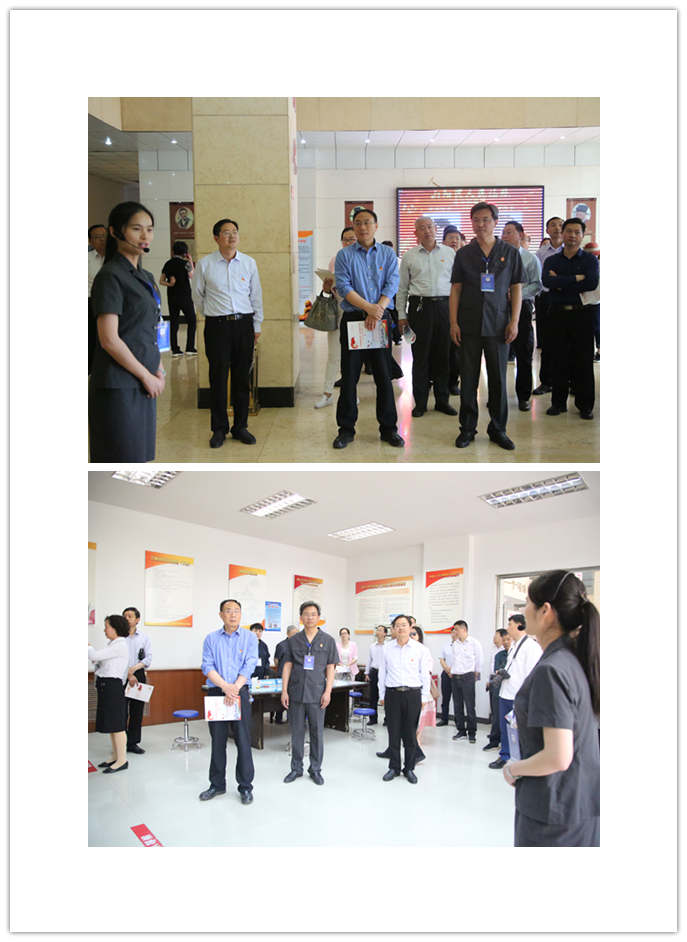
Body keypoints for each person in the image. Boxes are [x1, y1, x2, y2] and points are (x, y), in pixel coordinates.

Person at [503, 571, 600, 847]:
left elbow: (558, 757)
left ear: (545, 611)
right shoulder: (575, 659)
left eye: (527, 603)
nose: (524, 611)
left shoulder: (552, 670)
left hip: (554, 810)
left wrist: (513, 769)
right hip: (577, 801)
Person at [89, 201, 165, 462]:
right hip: (119, 385)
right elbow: (109, 339)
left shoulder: (147, 277)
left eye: (149, 229)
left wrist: (159, 370)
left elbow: (153, 327)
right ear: (115, 232)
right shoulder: (110, 276)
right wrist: (146, 376)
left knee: (140, 457)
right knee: (121, 458)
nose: (145, 236)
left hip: (145, 381)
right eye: (136, 228)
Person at [449, 202, 524, 451]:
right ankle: (467, 429)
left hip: (499, 325)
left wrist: (514, 321)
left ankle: (498, 429)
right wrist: (453, 322)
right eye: (476, 220)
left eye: (486, 220)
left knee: (498, 380)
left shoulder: (510, 252)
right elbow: (456, 289)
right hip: (468, 324)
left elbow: (516, 288)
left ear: (495, 222)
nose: (480, 224)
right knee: (469, 379)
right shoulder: (464, 254)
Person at [333, 208, 403, 449]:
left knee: (383, 376)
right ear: (353, 226)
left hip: (380, 320)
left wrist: (377, 310)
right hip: (354, 320)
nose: (362, 227)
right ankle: (345, 430)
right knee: (350, 377)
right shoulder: (344, 255)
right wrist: (368, 308)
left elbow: (392, 283)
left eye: (367, 222)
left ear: (376, 226)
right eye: (358, 223)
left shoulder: (387, 253)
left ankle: (389, 429)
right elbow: (343, 286)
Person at [192, 218, 263, 449]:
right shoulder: (205, 264)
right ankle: (219, 429)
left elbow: (255, 296)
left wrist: (256, 325)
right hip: (218, 327)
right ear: (216, 238)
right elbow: (198, 296)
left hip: (244, 325)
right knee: (218, 378)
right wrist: (213, 315)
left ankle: (240, 427)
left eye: (235, 232)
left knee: (242, 378)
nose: (232, 236)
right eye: (226, 233)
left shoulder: (249, 263)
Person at [397, 216, 457, 418]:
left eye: (430, 227)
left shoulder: (449, 253)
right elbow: (402, 289)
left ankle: (442, 401)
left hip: (445, 307)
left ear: (436, 229)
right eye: (422, 228)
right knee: (420, 357)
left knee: (443, 356)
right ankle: (420, 403)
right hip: (419, 309)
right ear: (416, 233)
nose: (427, 231)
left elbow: (457, 286)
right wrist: (402, 315)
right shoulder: (409, 256)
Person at [200, 599, 258, 805]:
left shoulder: (250, 638)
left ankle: (245, 787)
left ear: (240, 614)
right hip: (217, 693)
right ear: (221, 614)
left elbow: (250, 664)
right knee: (218, 741)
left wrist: (234, 689)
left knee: (243, 741)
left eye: (236, 611)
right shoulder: (211, 638)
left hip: (240, 693)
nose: (233, 614)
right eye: (228, 611)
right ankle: (217, 785)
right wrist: (226, 687)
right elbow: (207, 666)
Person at [542, 218, 599, 421]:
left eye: (577, 232)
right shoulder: (552, 260)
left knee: (583, 360)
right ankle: (558, 403)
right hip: (557, 314)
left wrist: (560, 283)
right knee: (558, 359)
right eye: (568, 231)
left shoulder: (589, 260)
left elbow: (591, 283)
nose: (572, 235)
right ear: (562, 233)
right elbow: (547, 281)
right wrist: (576, 279)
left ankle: (585, 405)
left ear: (582, 236)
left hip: (582, 314)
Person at [281, 601, 338, 785]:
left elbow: (330, 668)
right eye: (306, 614)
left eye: (313, 614)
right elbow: (287, 666)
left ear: (319, 617)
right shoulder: (294, 640)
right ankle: (296, 768)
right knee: (296, 732)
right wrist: (284, 691)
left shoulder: (328, 640)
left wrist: (328, 691)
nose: (310, 617)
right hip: (296, 692)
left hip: (317, 692)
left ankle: (315, 769)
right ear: (301, 617)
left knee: (316, 732)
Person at [378, 615, 430, 783]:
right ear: (393, 629)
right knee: (393, 732)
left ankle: (409, 768)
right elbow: (382, 673)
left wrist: (424, 696)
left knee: (410, 733)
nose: (401, 628)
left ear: (410, 628)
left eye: (404, 625)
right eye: (397, 625)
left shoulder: (419, 649)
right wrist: (382, 695)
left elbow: (424, 674)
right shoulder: (386, 648)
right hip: (392, 694)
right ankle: (394, 767)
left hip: (412, 695)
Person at [489, 614, 542, 770]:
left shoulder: (531, 647)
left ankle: (520, 759)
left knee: (519, 730)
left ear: (520, 625)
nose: (507, 628)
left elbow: (531, 675)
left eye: (510, 624)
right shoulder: (513, 646)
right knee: (505, 728)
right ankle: (505, 756)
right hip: (505, 693)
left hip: (518, 696)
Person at [501, 221, 542, 411]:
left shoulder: (530, 258)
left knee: (524, 354)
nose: (505, 236)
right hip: (499, 309)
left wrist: (517, 295)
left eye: (509, 232)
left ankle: (523, 396)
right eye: (503, 232)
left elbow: (536, 284)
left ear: (521, 235)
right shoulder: (497, 257)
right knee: (497, 355)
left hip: (522, 309)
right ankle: (497, 396)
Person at [315, 227, 357, 409]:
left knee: (353, 357)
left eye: (352, 239)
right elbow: (332, 288)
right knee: (333, 354)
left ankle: (352, 393)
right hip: (337, 309)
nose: (348, 243)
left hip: (357, 310)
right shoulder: (335, 259)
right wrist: (326, 288)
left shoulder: (364, 260)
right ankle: (327, 393)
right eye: (345, 239)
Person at [88, 615, 130, 773]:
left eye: (107, 627)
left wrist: (88, 647)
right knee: (112, 725)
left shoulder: (119, 645)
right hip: (107, 687)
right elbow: (98, 660)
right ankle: (115, 756)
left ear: (115, 628)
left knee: (117, 725)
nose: (104, 630)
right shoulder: (113, 646)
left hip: (112, 687)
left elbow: (94, 656)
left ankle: (122, 760)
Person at [533, 217, 564, 396]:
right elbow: (540, 278)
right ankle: (546, 381)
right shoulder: (541, 253)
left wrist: (558, 280)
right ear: (547, 230)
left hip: (567, 297)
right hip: (546, 298)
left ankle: (568, 381)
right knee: (546, 341)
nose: (557, 228)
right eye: (553, 225)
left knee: (567, 342)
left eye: (561, 225)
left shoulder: (572, 250)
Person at [122, 606, 152, 755]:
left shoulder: (144, 637)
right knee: (121, 712)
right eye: (124, 616)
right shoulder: (119, 637)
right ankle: (121, 743)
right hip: (121, 674)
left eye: (130, 616)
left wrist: (133, 670)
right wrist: (128, 673)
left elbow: (148, 658)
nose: (127, 619)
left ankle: (133, 743)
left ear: (137, 619)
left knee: (137, 711)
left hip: (138, 674)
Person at [159, 240, 197, 357]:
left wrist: (170, 284)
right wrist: (190, 261)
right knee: (192, 320)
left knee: (174, 321)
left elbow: (161, 281)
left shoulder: (168, 264)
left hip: (172, 296)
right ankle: (190, 347)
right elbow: (193, 276)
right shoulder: (185, 264)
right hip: (185, 296)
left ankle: (175, 349)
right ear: (184, 253)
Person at [449, 619, 483, 743]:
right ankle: (461, 731)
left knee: (470, 706)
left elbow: (479, 660)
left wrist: (476, 672)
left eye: (456, 629)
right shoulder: (455, 644)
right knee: (457, 706)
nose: (455, 632)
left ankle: (472, 732)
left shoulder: (474, 643)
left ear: (464, 629)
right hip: (456, 677)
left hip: (468, 677)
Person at [442, 227, 466, 395]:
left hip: (463, 308)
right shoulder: (440, 257)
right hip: (443, 305)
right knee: (441, 346)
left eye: (457, 238)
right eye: (450, 237)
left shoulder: (466, 258)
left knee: (456, 347)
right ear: (443, 241)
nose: (454, 241)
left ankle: (453, 381)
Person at [409, 625, 435, 762]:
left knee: (419, 716)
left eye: (414, 633)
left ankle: (417, 740)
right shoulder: (405, 649)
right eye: (410, 633)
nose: (411, 636)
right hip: (407, 689)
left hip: (419, 688)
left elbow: (427, 671)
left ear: (419, 636)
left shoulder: (424, 650)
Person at [483, 628, 511, 752]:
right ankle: (494, 741)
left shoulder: (515, 654)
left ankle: (510, 745)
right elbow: (497, 670)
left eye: (508, 640)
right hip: (497, 687)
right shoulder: (499, 654)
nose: (506, 642)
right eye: (504, 640)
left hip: (512, 690)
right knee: (497, 715)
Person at [88, 224, 107, 373]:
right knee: (91, 337)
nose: (101, 239)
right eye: (97, 237)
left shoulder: (116, 258)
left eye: (104, 235)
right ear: (90, 241)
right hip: (89, 303)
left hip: (110, 302)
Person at [273, 625, 299, 724]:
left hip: (295, 675)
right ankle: (278, 717)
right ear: (287, 633)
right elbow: (276, 659)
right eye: (293, 633)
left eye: (296, 633)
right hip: (282, 674)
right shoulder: (281, 645)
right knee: (282, 696)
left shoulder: (299, 644)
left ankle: (290, 717)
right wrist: (281, 669)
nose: (295, 635)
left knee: (293, 697)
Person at [437, 623, 460, 725]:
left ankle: (458, 720)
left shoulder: (461, 646)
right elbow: (441, 659)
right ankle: (444, 719)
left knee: (457, 699)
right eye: (452, 632)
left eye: (456, 632)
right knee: (445, 698)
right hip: (446, 674)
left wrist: (453, 670)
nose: (454, 634)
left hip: (457, 674)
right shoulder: (446, 645)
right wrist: (447, 669)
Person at [365, 625, 387, 724]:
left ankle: (387, 719)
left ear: (385, 633)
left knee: (386, 696)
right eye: (377, 630)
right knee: (373, 696)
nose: (377, 632)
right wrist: (367, 673)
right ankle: (373, 718)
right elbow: (369, 660)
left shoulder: (388, 646)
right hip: (374, 672)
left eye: (380, 630)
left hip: (385, 673)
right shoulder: (372, 646)